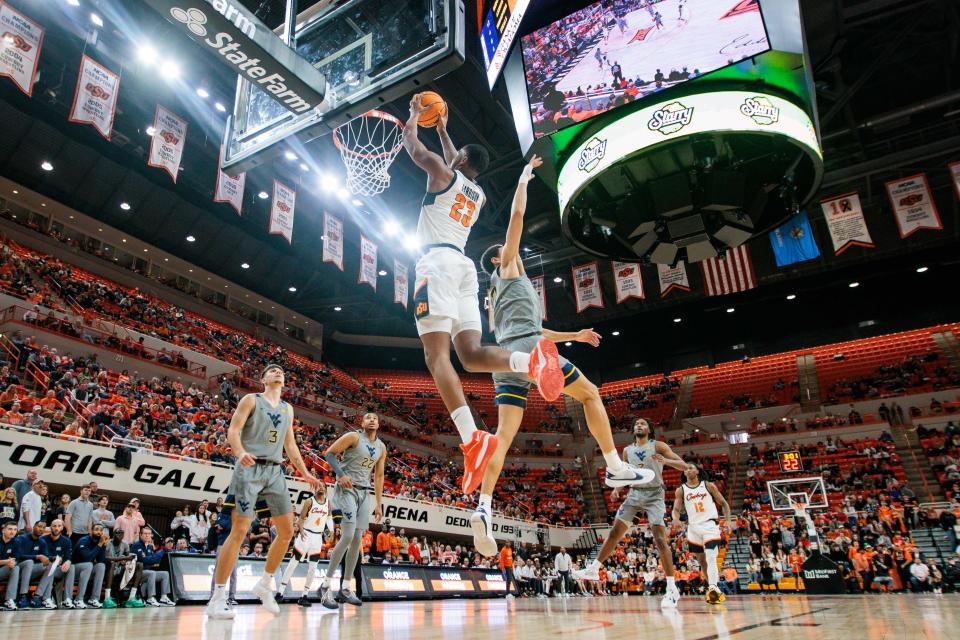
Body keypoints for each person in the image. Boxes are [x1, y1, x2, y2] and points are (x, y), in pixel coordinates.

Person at [472, 156, 650, 556]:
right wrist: (522, 178)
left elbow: (537, 329)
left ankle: (483, 507)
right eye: (506, 251)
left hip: (507, 358)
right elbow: (516, 217)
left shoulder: (498, 297)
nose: (510, 250)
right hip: (530, 351)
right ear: (498, 260)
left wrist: (576, 335)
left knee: (504, 435)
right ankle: (615, 466)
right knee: (590, 394)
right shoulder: (508, 269)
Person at [402, 94, 564, 493]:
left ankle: (472, 439)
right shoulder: (477, 193)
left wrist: (413, 118)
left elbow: (413, 147)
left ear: (459, 162)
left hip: (436, 265)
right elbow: (455, 160)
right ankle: (530, 363)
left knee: (436, 356)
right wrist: (441, 128)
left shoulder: (443, 171)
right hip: (463, 269)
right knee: (472, 357)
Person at [206, 364, 321, 619]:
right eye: (272, 371)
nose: (278, 372)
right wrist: (240, 452)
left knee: (288, 531)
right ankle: (218, 596)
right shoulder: (251, 400)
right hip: (249, 468)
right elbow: (233, 430)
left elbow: (290, 444)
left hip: (275, 471)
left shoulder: (288, 408)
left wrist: (305, 473)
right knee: (239, 530)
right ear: (263, 379)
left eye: (281, 371)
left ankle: (265, 584)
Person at [576, 418, 687, 608]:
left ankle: (671, 588)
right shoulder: (627, 450)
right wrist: (617, 489)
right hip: (634, 494)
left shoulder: (658, 446)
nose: (639, 425)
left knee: (660, 539)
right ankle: (593, 569)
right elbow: (624, 473)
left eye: (643, 423)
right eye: (636, 424)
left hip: (654, 495)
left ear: (649, 429)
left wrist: (665, 460)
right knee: (614, 533)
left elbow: (684, 465)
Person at [320, 412, 386, 609]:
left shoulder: (381, 447)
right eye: (368, 417)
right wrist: (340, 475)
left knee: (358, 540)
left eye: (375, 418)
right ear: (362, 422)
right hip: (347, 490)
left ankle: (346, 587)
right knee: (348, 535)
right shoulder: (353, 437)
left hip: (364, 494)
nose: (372, 420)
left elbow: (379, 475)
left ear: (379, 424)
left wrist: (379, 504)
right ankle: (325, 585)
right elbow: (329, 454)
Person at [672, 464, 733, 604]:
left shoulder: (708, 485)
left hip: (709, 525)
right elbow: (676, 509)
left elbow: (723, 503)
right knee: (702, 561)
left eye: (691, 468)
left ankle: (713, 587)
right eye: (685, 468)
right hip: (693, 527)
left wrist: (728, 520)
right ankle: (711, 588)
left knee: (711, 556)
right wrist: (675, 519)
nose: (688, 470)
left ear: (697, 471)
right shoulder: (681, 490)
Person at [277, 483, 333, 606]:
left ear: (326, 489)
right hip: (306, 534)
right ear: (315, 488)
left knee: (313, 568)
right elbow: (301, 518)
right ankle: (280, 593)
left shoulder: (328, 503)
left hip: (317, 537)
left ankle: (304, 596)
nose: (321, 487)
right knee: (293, 563)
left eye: (323, 486)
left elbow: (329, 517)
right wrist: (301, 529)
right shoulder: (309, 501)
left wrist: (332, 530)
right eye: (319, 486)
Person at [64, 522, 109, 608]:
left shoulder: (99, 542)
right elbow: (87, 558)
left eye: (101, 530)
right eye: (96, 530)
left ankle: (94, 599)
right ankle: (78, 599)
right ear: (91, 531)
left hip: (87, 570)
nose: (99, 532)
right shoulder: (84, 540)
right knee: (88, 564)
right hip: (73, 570)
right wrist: (100, 544)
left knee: (101, 566)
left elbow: (101, 560)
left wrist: (103, 546)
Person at [104, 523, 144, 608]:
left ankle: (131, 597)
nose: (120, 535)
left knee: (139, 565)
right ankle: (107, 598)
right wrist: (123, 559)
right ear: (113, 534)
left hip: (120, 569)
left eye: (122, 534)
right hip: (108, 570)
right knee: (111, 563)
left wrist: (125, 560)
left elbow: (127, 557)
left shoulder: (125, 544)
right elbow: (107, 558)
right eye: (118, 533)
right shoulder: (108, 543)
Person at [131, 528, 175, 606]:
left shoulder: (150, 547)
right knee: (151, 573)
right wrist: (151, 559)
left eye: (149, 534)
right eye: (145, 534)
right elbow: (143, 559)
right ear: (140, 535)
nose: (147, 535)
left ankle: (164, 597)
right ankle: (150, 598)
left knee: (165, 574)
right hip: (137, 572)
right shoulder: (136, 545)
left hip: (147, 571)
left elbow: (153, 560)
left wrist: (151, 559)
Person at [36, 518, 73, 609]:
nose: (56, 528)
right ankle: (46, 598)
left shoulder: (66, 541)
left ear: (62, 528)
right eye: (54, 526)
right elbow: (40, 557)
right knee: (51, 567)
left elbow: (68, 556)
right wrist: (54, 560)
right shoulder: (43, 539)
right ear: (50, 528)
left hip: (58, 569)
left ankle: (67, 599)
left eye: (59, 526)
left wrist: (68, 561)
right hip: (45, 569)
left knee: (71, 567)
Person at [0, 521, 23, 610]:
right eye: (10, 529)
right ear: (3, 530)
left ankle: (9, 600)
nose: (12, 532)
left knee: (15, 567)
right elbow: (8, 561)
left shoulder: (16, 542)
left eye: (14, 529)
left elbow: (16, 559)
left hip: (3, 571)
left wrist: (13, 563)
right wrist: (5, 562)